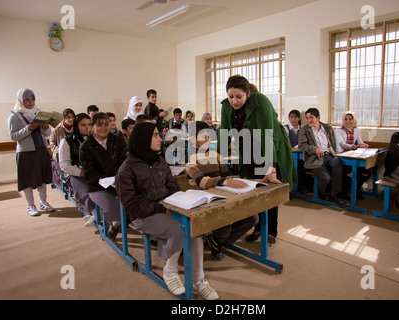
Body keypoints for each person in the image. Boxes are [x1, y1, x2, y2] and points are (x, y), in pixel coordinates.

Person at [115, 122, 219, 300]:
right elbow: (132, 206)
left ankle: (198, 279)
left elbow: (171, 187)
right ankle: (170, 272)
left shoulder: (159, 161)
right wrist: (162, 208)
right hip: (144, 216)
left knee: (196, 228)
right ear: (142, 140)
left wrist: (180, 203)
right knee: (180, 227)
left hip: (166, 208)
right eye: (155, 135)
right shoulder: (126, 170)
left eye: (158, 135)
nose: (160, 139)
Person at [219, 75, 296, 244]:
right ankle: (257, 227)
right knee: (250, 188)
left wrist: (270, 167)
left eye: (239, 97)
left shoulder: (260, 102)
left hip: (270, 145)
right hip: (247, 147)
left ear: (248, 94)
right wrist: (216, 156)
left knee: (268, 188)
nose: (234, 101)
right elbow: (224, 132)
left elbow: (267, 136)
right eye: (231, 96)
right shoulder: (226, 105)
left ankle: (270, 231)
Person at [186, 121, 258, 260]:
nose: (208, 140)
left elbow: (226, 176)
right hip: (204, 202)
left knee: (252, 218)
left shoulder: (216, 155)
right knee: (224, 224)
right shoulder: (190, 158)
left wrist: (235, 183)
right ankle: (217, 242)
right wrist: (226, 181)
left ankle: (216, 242)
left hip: (223, 197)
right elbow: (201, 182)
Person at [79, 112, 127, 240]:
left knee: (132, 206)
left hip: (118, 181)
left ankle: (117, 222)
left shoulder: (117, 140)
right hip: (98, 185)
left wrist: (119, 177)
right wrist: (108, 180)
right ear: (92, 127)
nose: (104, 128)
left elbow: (124, 162)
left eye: (106, 124)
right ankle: (114, 224)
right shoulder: (86, 147)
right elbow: (90, 172)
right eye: (99, 125)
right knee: (115, 211)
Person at [7, 88, 54, 216]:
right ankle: (30, 205)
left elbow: (47, 133)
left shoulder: (37, 113)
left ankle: (43, 202)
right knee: (27, 179)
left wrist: (45, 128)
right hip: (26, 153)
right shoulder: (14, 116)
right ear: (20, 101)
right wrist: (28, 128)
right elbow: (13, 136)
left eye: (32, 99)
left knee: (42, 178)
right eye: (27, 100)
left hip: (41, 149)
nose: (30, 102)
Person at [298, 107, 349, 206]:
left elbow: (333, 144)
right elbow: (302, 146)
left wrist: (337, 153)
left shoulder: (327, 128)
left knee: (338, 162)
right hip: (314, 159)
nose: (309, 120)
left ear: (318, 118)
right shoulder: (304, 130)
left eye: (311, 117)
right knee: (326, 178)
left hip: (328, 156)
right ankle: (321, 192)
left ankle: (335, 195)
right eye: (307, 118)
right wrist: (315, 149)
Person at [59, 113, 96, 225]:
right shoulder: (67, 141)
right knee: (85, 190)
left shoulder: (94, 139)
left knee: (102, 189)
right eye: (83, 124)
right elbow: (64, 165)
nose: (86, 127)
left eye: (89, 124)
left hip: (92, 171)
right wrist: (80, 173)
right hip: (74, 172)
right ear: (76, 125)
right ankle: (95, 213)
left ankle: (95, 212)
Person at [334, 111, 371, 199]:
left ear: (354, 120)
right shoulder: (338, 130)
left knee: (366, 172)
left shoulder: (356, 129)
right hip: (342, 154)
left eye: (350, 119)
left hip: (353, 154)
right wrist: (357, 146)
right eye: (345, 119)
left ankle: (356, 189)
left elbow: (360, 142)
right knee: (350, 172)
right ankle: (344, 192)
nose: (348, 121)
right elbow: (343, 145)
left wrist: (364, 146)